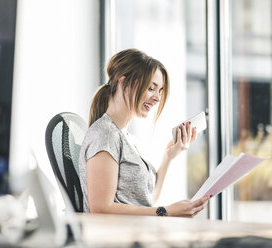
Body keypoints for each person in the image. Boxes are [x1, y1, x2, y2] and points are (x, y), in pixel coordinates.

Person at [79, 48, 209, 217]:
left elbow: (146, 199)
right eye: (151, 88)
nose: (157, 98)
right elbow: (101, 207)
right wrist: (166, 212)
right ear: (123, 83)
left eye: (160, 91)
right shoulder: (105, 135)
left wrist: (169, 156)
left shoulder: (127, 138)